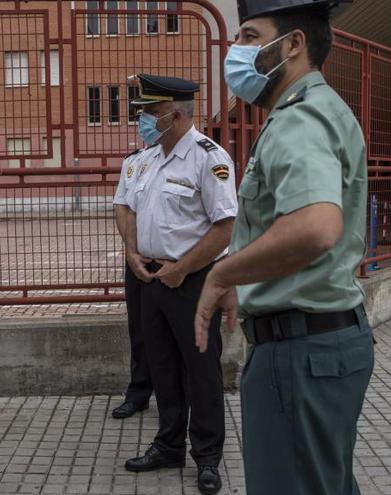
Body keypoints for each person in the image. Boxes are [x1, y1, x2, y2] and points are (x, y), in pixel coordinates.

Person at [194, 1, 373, 493]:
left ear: (293, 44)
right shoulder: (320, 109)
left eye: (250, 37)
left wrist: (223, 273)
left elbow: (315, 227)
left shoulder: (298, 119)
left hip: (299, 353)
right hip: (321, 346)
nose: (238, 51)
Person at [122, 73, 237, 495]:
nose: (144, 120)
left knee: (201, 370)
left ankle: (207, 457)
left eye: (149, 113)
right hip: (151, 278)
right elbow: (132, 211)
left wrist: (183, 268)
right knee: (164, 367)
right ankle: (168, 444)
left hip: (192, 281)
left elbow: (224, 228)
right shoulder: (150, 158)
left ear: (173, 114)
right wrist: (134, 254)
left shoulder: (210, 158)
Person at [110, 143, 154, 419]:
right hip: (138, 259)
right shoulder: (134, 162)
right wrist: (131, 250)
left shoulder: (201, 155)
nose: (145, 121)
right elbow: (122, 207)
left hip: (180, 263)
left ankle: (182, 397)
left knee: (179, 335)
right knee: (140, 329)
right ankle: (139, 392)